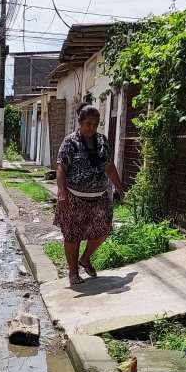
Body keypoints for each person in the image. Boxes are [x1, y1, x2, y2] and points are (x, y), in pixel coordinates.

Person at [55, 103, 124, 285]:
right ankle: (72, 272)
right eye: (88, 123)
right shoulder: (70, 142)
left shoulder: (102, 140)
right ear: (80, 122)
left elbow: (108, 165)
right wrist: (61, 193)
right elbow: (62, 166)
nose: (92, 127)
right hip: (73, 197)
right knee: (73, 234)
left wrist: (119, 187)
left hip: (98, 197)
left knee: (103, 229)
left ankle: (85, 259)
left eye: (95, 124)